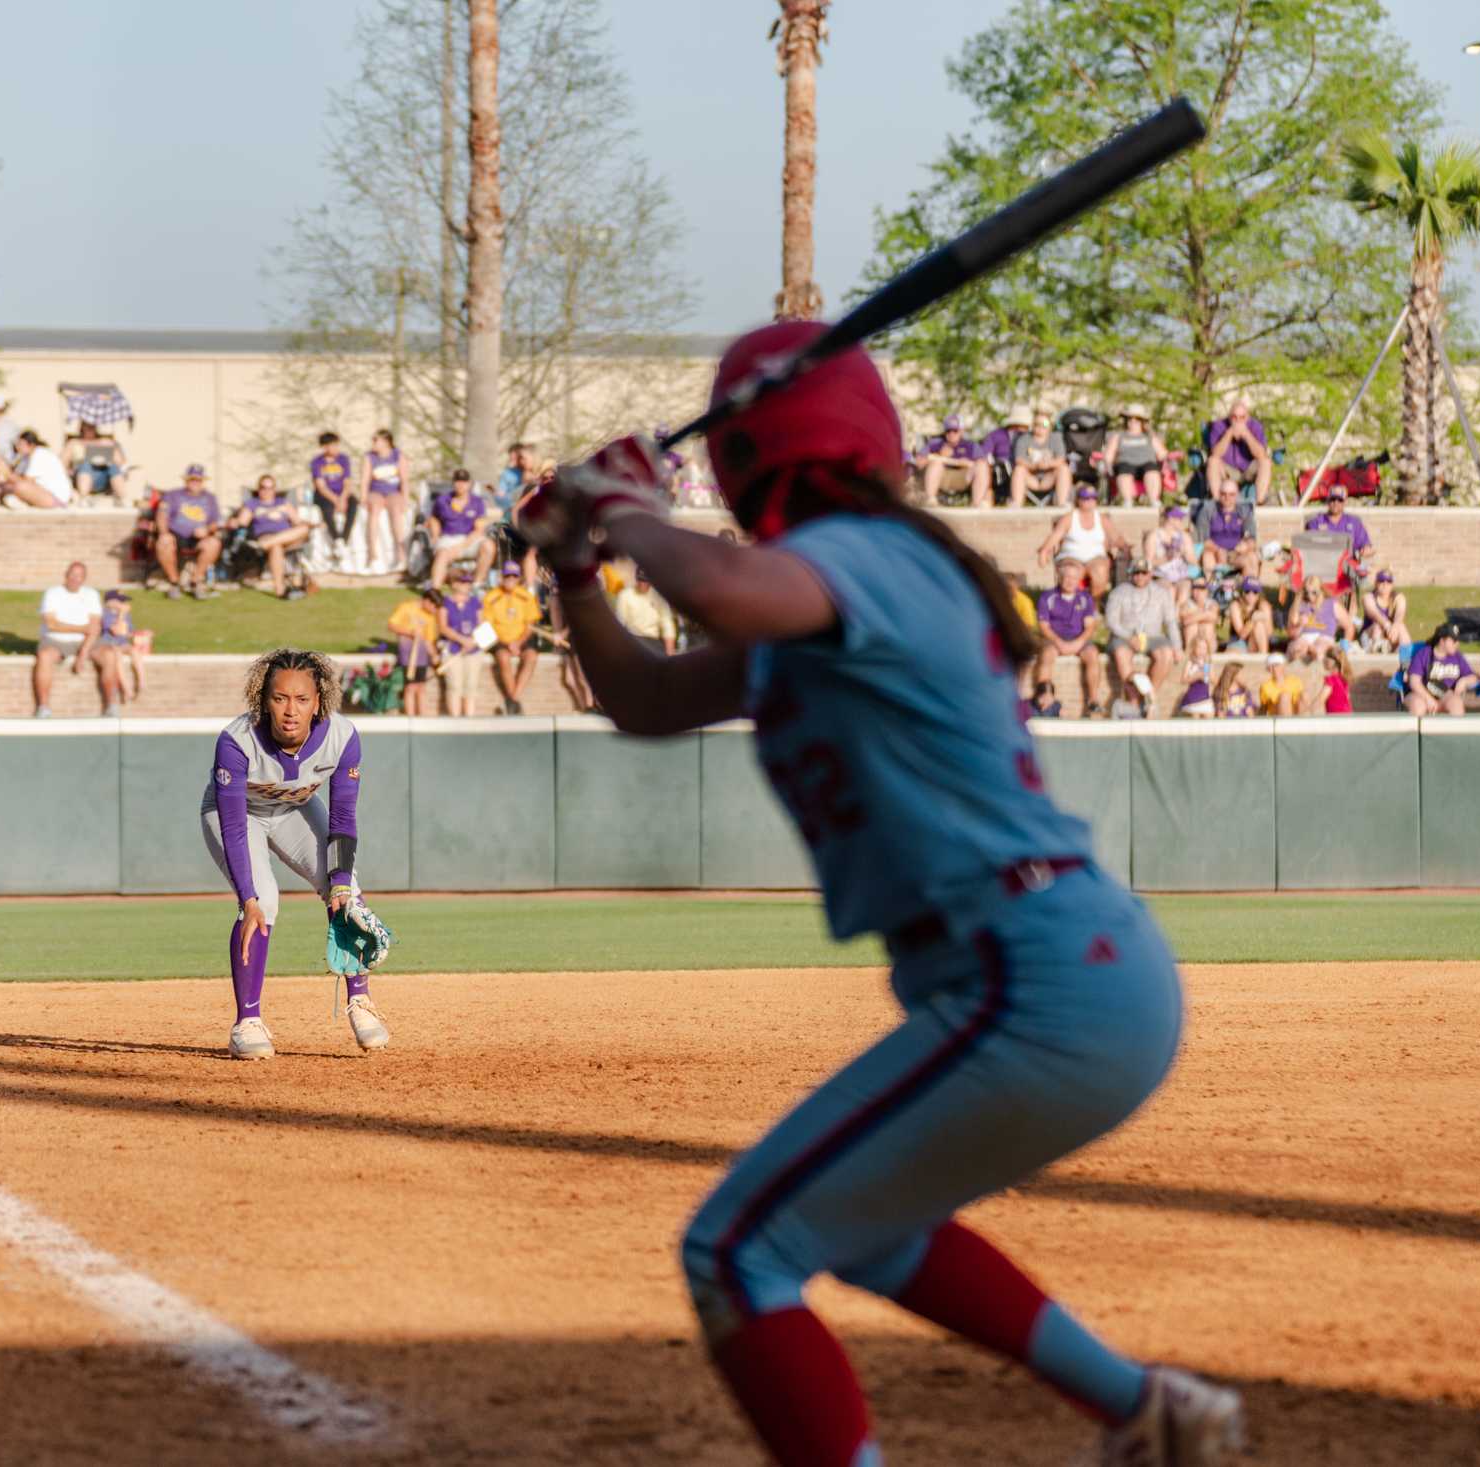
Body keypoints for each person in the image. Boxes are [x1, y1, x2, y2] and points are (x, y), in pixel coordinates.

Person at [517, 319, 1240, 1467]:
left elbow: (718, 587)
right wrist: (575, 570)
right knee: (865, 1226)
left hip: (1033, 974)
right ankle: (1144, 1410)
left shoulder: (864, 561)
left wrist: (627, 512)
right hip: (1035, 969)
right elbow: (645, 703)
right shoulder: (830, 590)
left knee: (736, 1250)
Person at [199, 648, 391, 1059]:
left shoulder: (342, 738)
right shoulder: (237, 740)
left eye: (302, 699)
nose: (290, 710)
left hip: (293, 810)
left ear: (318, 702)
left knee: (347, 888)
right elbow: (234, 826)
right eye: (280, 698)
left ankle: (360, 1001)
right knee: (263, 900)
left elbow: (343, 816)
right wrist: (247, 897)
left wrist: (339, 880)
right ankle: (247, 1022)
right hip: (237, 816)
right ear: (263, 700)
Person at [32, 560, 105, 718]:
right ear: (66, 575)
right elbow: (51, 624)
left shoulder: (91, 595)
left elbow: (94, 627)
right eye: (72, 575)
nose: (75, 579)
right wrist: (81, 628)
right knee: (45, 657)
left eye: (79, 576)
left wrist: (83, 654)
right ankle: (43, 707)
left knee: (111, 655)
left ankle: (111, 707)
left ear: (84, 579)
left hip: (85, 642)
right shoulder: (52, 593)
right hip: (55, 641)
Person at [1036, 557, 1107, 716]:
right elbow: (1043, 626)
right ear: (1060, 577)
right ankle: (1045, 696)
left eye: (1074, 578)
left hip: (1079, 638)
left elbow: (1090, 626)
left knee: (1092, 654)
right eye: (1067, 577)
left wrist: (1078, 642)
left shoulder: (1085, 598)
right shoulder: (1047, 597)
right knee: (1046, 655)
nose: (1070, 581)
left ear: (1079, 580)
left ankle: (1093, 700)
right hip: (1055, 638)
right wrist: (1058, 641)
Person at [1104, 560, 1181, 697]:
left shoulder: (1162, 593)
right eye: (1136, 573)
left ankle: (1150, 696)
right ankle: (1133, 698)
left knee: (1166, 654)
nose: (1140, 576)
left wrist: (1177, 646)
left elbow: (1170, 622)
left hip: (1153, 636)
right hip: (1124, 636)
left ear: (1150, 574)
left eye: (1143, 573)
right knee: (1121, 654)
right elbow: (1111, 621)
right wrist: (1129, 637)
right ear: (1130, 574)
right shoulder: (1118, 592)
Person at [231, 474, 312, 598]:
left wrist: (309, 524)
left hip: (286, 537)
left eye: (270, 487)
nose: (267, 491)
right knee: (276, 547)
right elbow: (242, 522)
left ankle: (264, 546)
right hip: (266, 535)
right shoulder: (252, 503)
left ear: (275, 489)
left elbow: (297, 522)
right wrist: (233, 521)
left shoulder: (284, 503)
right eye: (263, 487)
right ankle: (280, 590)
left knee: (304, 528)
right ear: (259, 489)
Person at [1036, 486, 1121, 598]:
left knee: (1100, 571)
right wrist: (1044, 551)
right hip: (1071, 557)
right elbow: (1055, 536)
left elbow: (1117, 538)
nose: (1090, 500)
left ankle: (1092, 605)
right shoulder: (1069, 518)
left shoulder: (1102, 519)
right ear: (1078, 499)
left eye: (1093, 497)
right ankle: (1072, 605)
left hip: (1096, 557)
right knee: (1072, 571)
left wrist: (1126, 549)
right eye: (1086, 497)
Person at [155, 464, 225, 597]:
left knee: (214, 543)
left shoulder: (210, 498)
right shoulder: (173, 495)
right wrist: (164, 533)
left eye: (198, 479)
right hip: (176, 534)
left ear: (203, 481)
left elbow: (216, 522)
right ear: (186, 480)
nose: (195, 482)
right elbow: (162, 515)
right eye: (192, 479)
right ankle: (174, 583)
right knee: (164, 541)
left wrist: (207, 529)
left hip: (199, 537)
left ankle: (195, 582)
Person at [482, 561, 543, 714]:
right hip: (500, 639)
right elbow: (487, 626)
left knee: (531, 657)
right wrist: (506, 643)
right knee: (502, 658)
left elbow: (530, 625)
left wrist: (518, 643)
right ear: (501, 577)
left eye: (513, 576)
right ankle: (515, 702)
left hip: (521, 638)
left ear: (518, 578)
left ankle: (512, 700)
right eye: (507, 576)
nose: (510, 579)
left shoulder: (526, 596)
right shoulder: (491, 597)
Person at [426, 469, 497, 589]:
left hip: (469, 539)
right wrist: (435, 536)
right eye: (458, 481)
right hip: (448, 537)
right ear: (453, 483)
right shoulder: (442, 500)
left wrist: (461, 547)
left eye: (464, 482)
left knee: (489, 545)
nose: (460, 485)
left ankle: (477, 585)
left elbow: (479, 529)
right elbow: (433, 519)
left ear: (469, 484)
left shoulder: (477, 502)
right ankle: (435, 590)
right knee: (442, 554)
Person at [358, 429, 412, 575]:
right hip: (376, 491)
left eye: (376, 440)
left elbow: (404, 479)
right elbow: (365, 479)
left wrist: (405, 498)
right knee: (374, 509)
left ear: (386, 442)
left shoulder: (398, 456)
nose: (373, 443)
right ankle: (372, 552)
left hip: (393, 491)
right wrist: (363, 497)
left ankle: (400, 551)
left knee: (395, 510)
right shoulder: (369, 457)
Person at [436, 570, 487, 717]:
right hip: (453, 649)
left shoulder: (475, 602)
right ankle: (455, 719)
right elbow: (443, 627)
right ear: (454, 584)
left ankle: (469, 719)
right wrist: (461, 640)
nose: (467, 585)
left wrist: (472, 641)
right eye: (463, 582)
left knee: (471, 686)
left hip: (473, 649)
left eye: (468, 582)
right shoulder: (445, 603)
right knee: (454, 686)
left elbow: (481, 624)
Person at [914, 413, 992, 507]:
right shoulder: (935, 443)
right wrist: (940, 456)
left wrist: (967, 463)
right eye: (948, 431)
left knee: (982, 466)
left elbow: (984, 465)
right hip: (942, 478)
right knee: (936, 464)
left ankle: (977, 503)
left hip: (964, 478)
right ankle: (931, 500)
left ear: (961, 431)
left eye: (955, 430)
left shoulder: (971, 446)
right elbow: (918, 462)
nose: (951, 434)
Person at [387, 587, 442, 716]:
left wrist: (434, 655)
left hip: (422, 656)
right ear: (427, 601)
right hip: (408, 654)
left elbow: (428, 640)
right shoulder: (406, 607)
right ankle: (410, 718)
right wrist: (410, 632)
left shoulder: (430, 617)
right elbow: (391, 625)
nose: (435, 610)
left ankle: (422, 718)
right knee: (410, 687)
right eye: (434, 606)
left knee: (421, 687)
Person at [1205, 397, 1272, 502]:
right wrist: (1229, 433)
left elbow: (1261, 454)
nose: (1238, 420)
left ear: (1247, 417)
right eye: (1234, 417)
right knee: (1212, 461)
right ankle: (1218, 501)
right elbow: (1215, 453)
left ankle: (1260, 501)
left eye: (1242, 417)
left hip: (1249, 469)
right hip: (1227, 470)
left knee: (1266, 462)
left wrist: (1246, 435)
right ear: (1229, 417)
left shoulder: (1255, 426)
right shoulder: (1218, 426)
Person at [309, 432, 360, 570]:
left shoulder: (344, 459)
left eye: (337, 445)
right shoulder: (317, 462)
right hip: (325, 494)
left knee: (354, 504)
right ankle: (336, 538)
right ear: (325, 447)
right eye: (332, 445)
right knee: (327, 509)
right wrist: (335, 500)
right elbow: (320, 486)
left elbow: (348, 482)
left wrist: (342, 498)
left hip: (341, 493)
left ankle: (344, 539)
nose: (336, 448)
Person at [1191, 479, 1260, 582]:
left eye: (1231, 494)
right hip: (1214, 552)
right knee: (1207, 556)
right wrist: (1218, 550)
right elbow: (1203, 539)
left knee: (1252, 557)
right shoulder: (1207, 510)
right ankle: (1211, 589)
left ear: (1237, 495)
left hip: (1236, 554)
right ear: (1219, 494)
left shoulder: (1244, 510)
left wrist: (1245, 546)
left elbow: (1252, 539)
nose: (1227, 498)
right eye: (1224, 494)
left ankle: (1250, 591)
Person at [1302, 486, 1374, 583]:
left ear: (1345, 502)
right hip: (1322, 563)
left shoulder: (1354, 522)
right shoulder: (1316, 522)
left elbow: (1365, 545)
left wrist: (1365, 550)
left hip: (1347, 563)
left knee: (1359, 576)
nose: (1336, 502)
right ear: (1328, 501)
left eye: (1339, 500)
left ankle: (1351, 595)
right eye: (1332, 499)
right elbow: (1309, 546)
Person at [1405, 624, 1480, 717]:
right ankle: (1417, 731)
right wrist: (1428, 699)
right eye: (1454, 640)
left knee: (1456, 704)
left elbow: (1473, 677)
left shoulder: (1457, 657)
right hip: (1421, 694)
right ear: (1442, 641)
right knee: (1418, 705)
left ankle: (1452, 731)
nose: (1457, 644)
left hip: (1446, 695)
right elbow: (1414, 682)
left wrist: (1464, 681)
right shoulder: (1424, 654)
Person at [1103, 406, 1171, 506]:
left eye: (1137, 419)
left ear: (1142, 422)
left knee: (1152, 472)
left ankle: (1154, 500)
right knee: (1124, 472)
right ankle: (1127, 501)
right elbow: (1109, 454)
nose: (1132, 421)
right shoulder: (1119, 436)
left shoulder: (1149, 436)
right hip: (1125, 463)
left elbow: (1162, 453)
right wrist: (1109, 464)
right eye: (1130, 419)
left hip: (1147, 463)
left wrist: (1165, 460)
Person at [0, 429, 75, 509]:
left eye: (21, 444)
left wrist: (6, 472)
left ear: (31, 445)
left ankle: (21, 502)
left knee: (20, 487)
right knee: (5, 484)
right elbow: (17, 476)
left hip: (56, 498)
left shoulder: (40, 454)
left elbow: (25, 481)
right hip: (42, 493)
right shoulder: (25, 458)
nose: (18, 447)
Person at [1008, 410, 1071, 508]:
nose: (1040, 427)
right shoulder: (1023, 439)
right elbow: (1019, 460)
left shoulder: (1056, 438)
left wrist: (1048, 464)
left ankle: (1062, 503)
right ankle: (1016, 503)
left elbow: (1061, 459)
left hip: (1049, 478)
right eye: (1037, 424)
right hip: (1031, 477)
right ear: (1033, 425)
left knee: (1064, 468)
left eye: (1044, 424)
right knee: (1019, 469)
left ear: (1050, 426)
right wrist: (1034, 466)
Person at [97, 590, 146, 711]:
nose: (123, 603)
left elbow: (127, 632)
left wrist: (140, 634)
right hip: (110, 644)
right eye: (121, 601)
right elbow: (115, 631)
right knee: (117, 657)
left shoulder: (126, 615)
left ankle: (141, 682)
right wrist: (122, 614)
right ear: (110, 602)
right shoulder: (105, 614)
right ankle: (126, 689)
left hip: (122, 643)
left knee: (135, 652)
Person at [613, 566, 679, 655]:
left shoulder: (659, 597)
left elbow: (666, 622)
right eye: (640, 580)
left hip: (653, 641)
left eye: (645, 581)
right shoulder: (625, 595)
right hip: (633, 640)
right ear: (636, 579)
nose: (642, 584)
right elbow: (620, 623)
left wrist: (670, 650)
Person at [1285, 576, 1352, 664]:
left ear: (1320, 591)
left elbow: (1349, 627)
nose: (1309, 596)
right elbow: (1291, 634)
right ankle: (1306, 651)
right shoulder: (1299, 604)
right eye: (1306, 592)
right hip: (1304, 637)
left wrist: (1344, 647)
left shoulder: (1332, 604)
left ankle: (1314, 652)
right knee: (1296, 649)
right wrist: (1299, 625)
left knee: (1320, 649)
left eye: (1314, 592)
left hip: (1324, 637)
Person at [63, 420, 130, 503]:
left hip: (104, 476)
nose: (90, 428)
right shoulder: (73, 443)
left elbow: (121, 463)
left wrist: (109, 452)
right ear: (82, 427)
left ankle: (123, 498)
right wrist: (70, 471)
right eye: (87, 426)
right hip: (81, 476)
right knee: (85, 464)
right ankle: (84, 498)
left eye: (92, 426)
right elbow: (62, 464)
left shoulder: (106, 441)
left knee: (113, 467)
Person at [1142, 505, 1194, 603]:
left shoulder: (1184, 536)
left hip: (1181, 576)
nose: (1181, 521)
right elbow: (1148, 563)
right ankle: (1170, 616)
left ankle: (1176, 616)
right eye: (1179, 518)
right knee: (1169, 591)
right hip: (1160, 575)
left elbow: (1193, 561)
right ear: (1171, 519)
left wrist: (1185, 553)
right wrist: (1166, 558)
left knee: (1184, 592)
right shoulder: (1154, 536)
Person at [1224, 578, 1273, 654]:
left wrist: (1263, 619)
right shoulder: (1236, 605)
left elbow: (1269, 632)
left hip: (1256, 641)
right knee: (1231, 655)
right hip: (1238, 640)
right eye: (1247, 591)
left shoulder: (1263, 605)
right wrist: (1253, 619)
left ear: (1259, 594)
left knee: (1259, 625)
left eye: (1255, 592)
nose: (1251, 595)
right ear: (1242, 592)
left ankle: (1263, 657)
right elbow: (1242, 635)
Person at [1178, 580, 1220, 665]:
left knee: (1207, 626)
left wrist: (1194, 615)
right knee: (1191, 627)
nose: (1198, 592)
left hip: (1208, 640)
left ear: (1206, 591)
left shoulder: (1212, 603)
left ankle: (1207, 659)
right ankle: (1189, 658)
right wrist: (1205, 614)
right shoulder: (1186, 604)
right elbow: (1186, 621)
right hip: (1191, 638)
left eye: (1201, 588)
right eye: (1195, 588)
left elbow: (1214, 617)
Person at [1319, 647, 1354, 715]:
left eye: (1325, 657)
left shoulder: (1331, 679)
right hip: (1347, 716)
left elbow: (1320, 700)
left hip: (1336, 719)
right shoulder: (1343, 678)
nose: (1323, 660)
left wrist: (1306, 713)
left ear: (1333, 661)